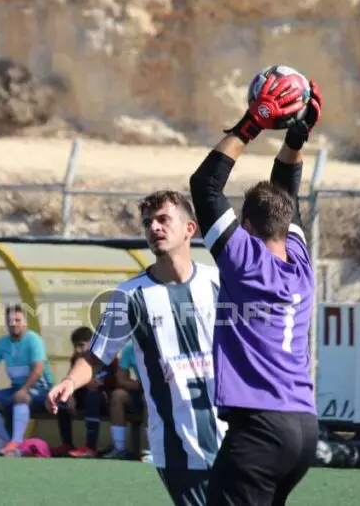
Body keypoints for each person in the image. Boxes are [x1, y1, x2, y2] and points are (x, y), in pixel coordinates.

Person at [188, 70, 324, 506]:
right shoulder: (301, 264)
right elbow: (287, 195)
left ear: (246, 226)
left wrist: (252, 123)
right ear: (286, 225)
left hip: (260, 430)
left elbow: (205, 186)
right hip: (303, 429)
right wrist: (296, 139)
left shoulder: (244, 258)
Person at [46, 190, 226, 506]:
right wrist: (70, 381)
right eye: (147, 222)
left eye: (163, 219)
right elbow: (95, 356)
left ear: (190, 228)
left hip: (233, 439)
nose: (154, 227)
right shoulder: (129, 296)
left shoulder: (219, 283)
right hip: (176, 447)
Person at [0, 304, 55, 457]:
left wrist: (24, 389)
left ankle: (16, 442)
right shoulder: (2, 343)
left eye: (17, 320)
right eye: (10, 321)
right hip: (16, 389)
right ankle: (6, 441)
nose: (13, 324)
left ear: (25, 322)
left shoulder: (34, 340)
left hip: (40, 390)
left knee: (21, 398)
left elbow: (38, 369)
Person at [52, 326, 116, 458]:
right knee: (62, 398)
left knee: (93, 396)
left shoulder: (109, 359)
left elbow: (116, 383)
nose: (77, 350)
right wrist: (70, 395)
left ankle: (90, 447)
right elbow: (71, 380)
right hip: (84, 396)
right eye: (75, 346)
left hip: (104, 400)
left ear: (93, 343)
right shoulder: (76, 359)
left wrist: (102, 388)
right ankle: (67, 444)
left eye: (81, 345)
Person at [106, 338, 145, 460]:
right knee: (117, 396)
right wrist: (140, 385)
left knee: (149, 399)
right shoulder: (129, 348)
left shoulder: (161, 346)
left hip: (163, 391)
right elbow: (122, 380)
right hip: (141, 389)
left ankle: (154, 451)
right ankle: (119, 449)